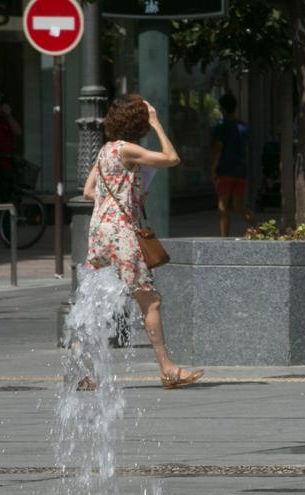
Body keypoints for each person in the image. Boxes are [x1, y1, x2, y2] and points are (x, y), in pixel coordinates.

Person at [83, 94, 204, 390]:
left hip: (99, 232)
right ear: (138, 122)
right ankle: (168, 369)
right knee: (150, 300)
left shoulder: (105, 151)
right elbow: (172, 158)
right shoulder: (128, 150)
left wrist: (126, 192)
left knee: (99, 303)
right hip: (122, 233)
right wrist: (158, 123)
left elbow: (88, 192)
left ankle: (91, 373)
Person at [211, 93, 255, 237]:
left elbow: (218, 149)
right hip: (240, 170)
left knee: (223, 206)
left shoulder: (221, 127)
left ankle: (224, 237)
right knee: (239, 206)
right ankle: (259, 226)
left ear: (222, 108)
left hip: (224, 170)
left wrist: (213, 169)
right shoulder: (243, 127)